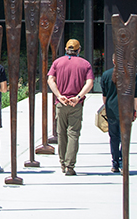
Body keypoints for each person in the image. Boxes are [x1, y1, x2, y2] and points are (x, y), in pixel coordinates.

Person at [46, 38, 94, 175]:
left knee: (61, 134)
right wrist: (78, 96)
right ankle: (70, 166)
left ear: (66, 49)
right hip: (75, 104)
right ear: (79, 50)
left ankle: (62, 163)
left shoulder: (57, 62)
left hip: (61, 103)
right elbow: (89, 83)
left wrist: (59, 95)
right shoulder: (85, 64)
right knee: (73, 134)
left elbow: (50, 79)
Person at [99, 54, 137, 173]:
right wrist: (134, 110)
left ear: (113, 61)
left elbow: (104, 96)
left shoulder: (106, 75)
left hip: (111, 109)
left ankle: (115, 162)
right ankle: (123, 162)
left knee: (114, 138)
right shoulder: (132, 75)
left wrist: (106, 107)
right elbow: (135, 96)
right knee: (125, 138)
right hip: (126, 110)